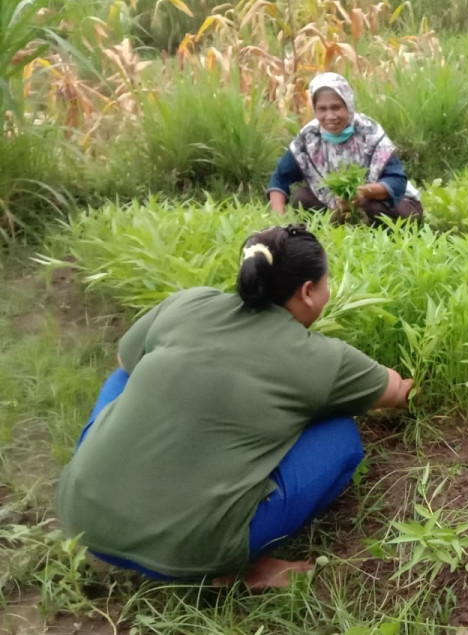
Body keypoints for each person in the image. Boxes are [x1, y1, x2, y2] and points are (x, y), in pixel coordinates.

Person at [56, 224, 414, 589]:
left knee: (124, 377)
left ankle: (110, 484)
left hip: (81, 517)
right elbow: (397, 392)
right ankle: (235, 570)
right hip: (192, 552)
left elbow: (124, 356)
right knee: (340, 436)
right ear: (308, 292)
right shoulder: (322, 359)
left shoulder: (189, 301)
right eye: (326, 282)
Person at [268, 72, 422, 225]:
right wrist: (279, 222)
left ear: (348, 105)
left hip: (385, 202)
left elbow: (397, 181)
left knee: (372, 209)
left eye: (336, 107)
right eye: (322, 109)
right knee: (301, 199)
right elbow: (280, 178)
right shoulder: (309, 137)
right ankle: (341, 222)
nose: (330, 116)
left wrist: (361, 192)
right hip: (336, 204)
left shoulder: (369, 132)